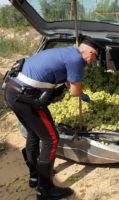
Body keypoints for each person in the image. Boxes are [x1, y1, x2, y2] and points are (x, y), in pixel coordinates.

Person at [3, 35, 101, 200]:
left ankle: (35, 176)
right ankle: (45, 189)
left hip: (11, 91)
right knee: (51, 139)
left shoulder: (66, 53)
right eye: (95, 58)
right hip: (26, 98)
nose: (92, 62)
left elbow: (67, 81)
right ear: (90, 53)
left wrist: (82, 94)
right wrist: (80, 91)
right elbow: (74, 90)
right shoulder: (77, 60)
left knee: (33, 133)